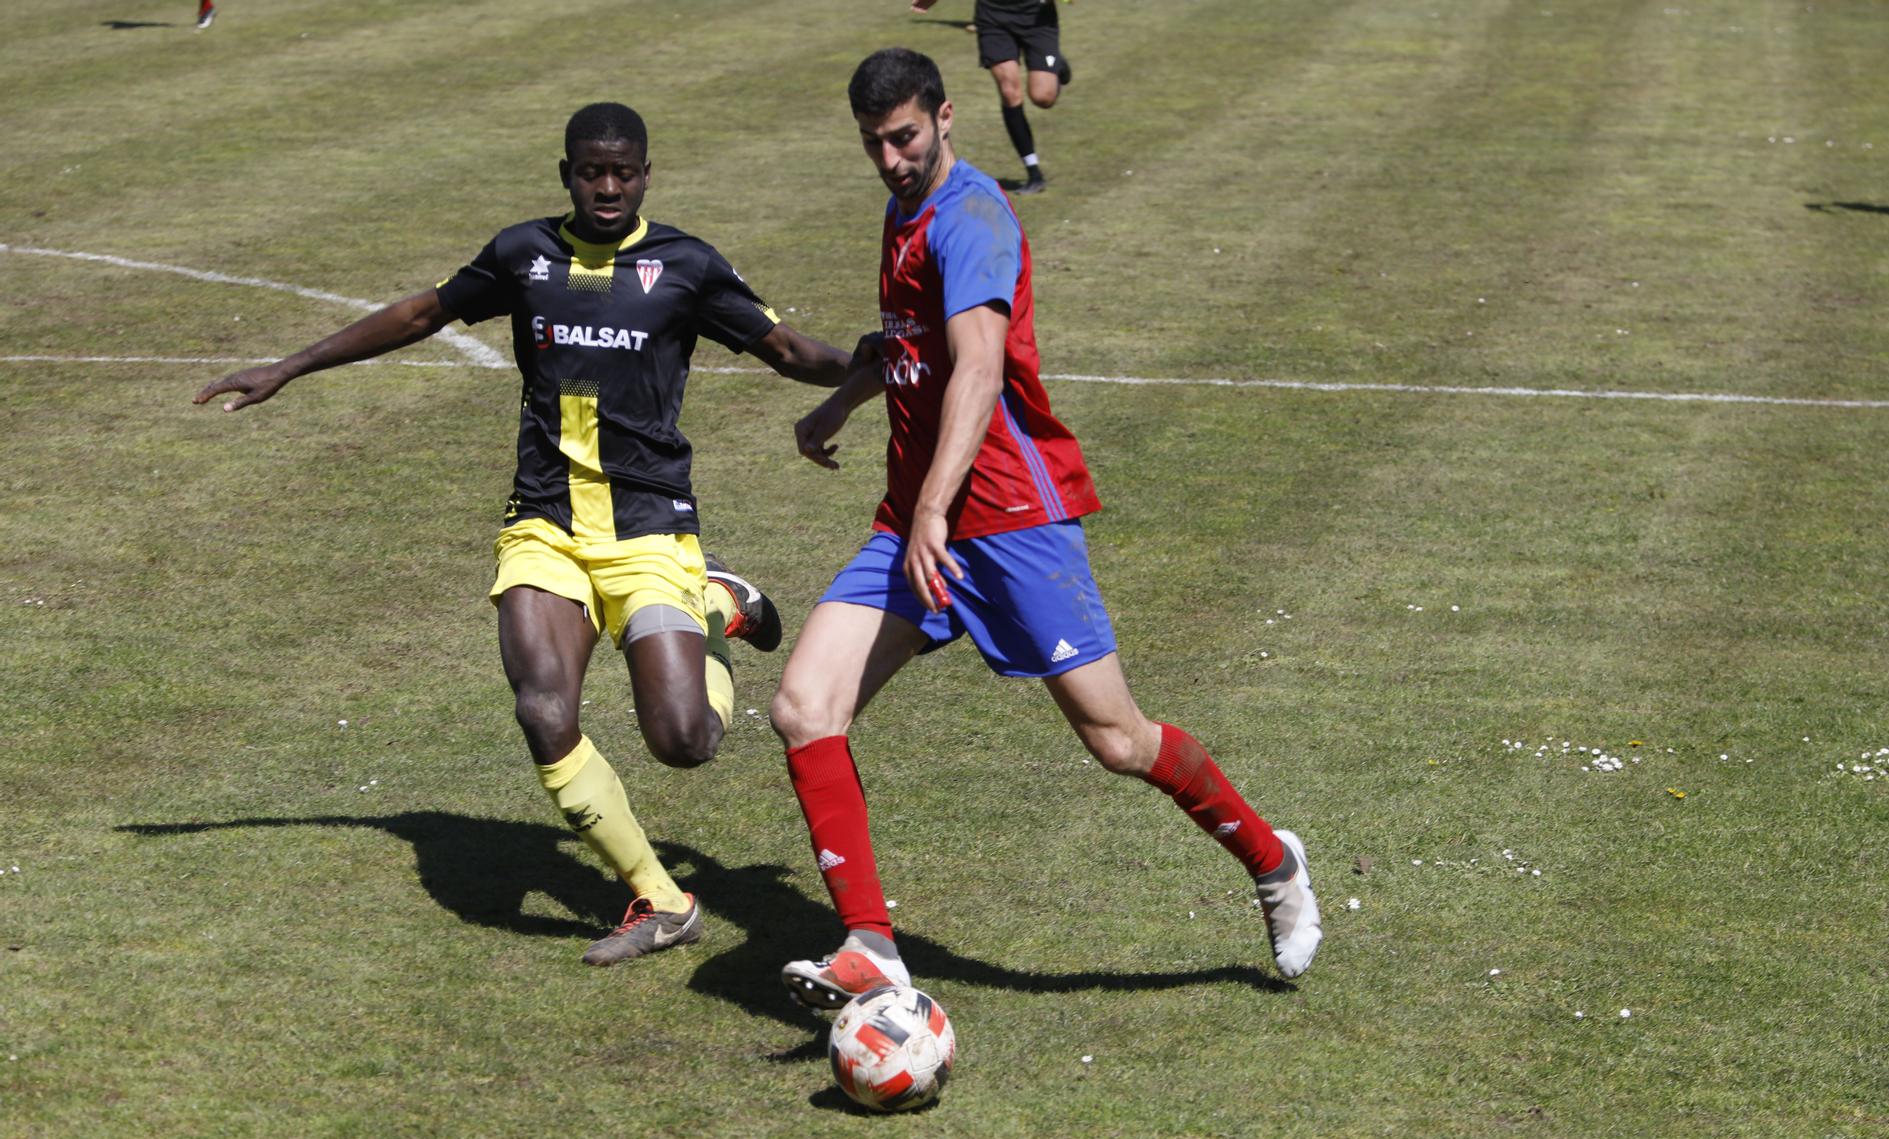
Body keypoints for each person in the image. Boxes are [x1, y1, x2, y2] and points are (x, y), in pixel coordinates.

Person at [194, 102, 855, 965]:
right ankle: (660, 899)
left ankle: (718, 603)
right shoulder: (524, 254)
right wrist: (290, 366)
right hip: (542, 524)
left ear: (647, 175)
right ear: (567, 174)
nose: (607, 186)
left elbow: (789, 352)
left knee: (685, 742)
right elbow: (419, 314)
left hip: (649, 528)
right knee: (543, 707)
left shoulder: (685, 267)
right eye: (591, 171)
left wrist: (891, 370)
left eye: (623, 172)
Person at [769, 49, 1320, 1013]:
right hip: (917, 524)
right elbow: (908, 339)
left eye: (903, 138)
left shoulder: (972, 216)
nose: (891, 160)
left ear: (945, 118)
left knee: (1118, 739)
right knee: (805, 707)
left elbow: (978, 365)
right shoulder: (905, 210)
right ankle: (873, 946)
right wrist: (846, 404)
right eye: (873, 145)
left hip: (1009, 522)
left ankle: (1274, 862)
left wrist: (939, 505)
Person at [911, 0, 1070, 194]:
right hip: (993, 17)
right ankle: (1034, 172)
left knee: (1043, 97)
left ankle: (1056, 66)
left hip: (1037, 16)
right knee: (1009, 92)